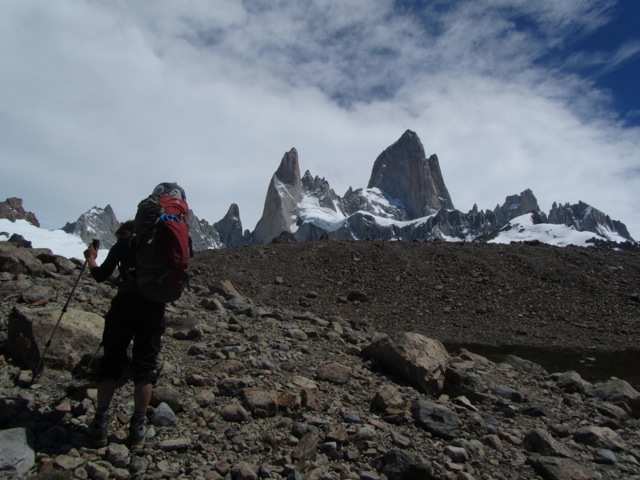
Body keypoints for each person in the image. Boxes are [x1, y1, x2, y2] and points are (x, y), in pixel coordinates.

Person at [83, 220, 166, 449]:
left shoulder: (125, 244)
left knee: (111, 362)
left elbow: (101, 275)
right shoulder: (161, 246)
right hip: (154, 310)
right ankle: (137, 431)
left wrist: (91, 259)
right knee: (145, 368)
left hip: (124, 307)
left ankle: (100, 426)